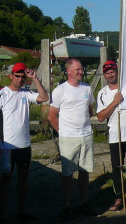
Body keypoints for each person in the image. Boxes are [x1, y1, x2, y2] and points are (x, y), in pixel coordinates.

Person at [0, 62, 49, 223]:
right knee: (5, 180)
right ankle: (2, 214)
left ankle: (22, 211)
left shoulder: (25, 93)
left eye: (23, 77)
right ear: (11, 76)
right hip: (8, 146)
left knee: (23, 179)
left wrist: (34, 78)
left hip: (24, 145)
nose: (20, 79)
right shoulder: (1, 95)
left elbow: (44, 97)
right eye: (17, 76)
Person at [48, 58, 96, 220]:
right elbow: (52, 116)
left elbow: (90, 110)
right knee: (67, 173)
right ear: (69, 71)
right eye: (78, 70)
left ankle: (83, 203)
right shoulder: (60, 91)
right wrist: (63, 132)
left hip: (86, 135)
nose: (81, 71)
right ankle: (67, 205)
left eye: (82, 69)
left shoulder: (87, 89)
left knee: (84, 171)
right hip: (68, 138)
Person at [96, 61, 126, 211]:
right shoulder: (102, 93)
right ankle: (119, 197)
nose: (110, 75)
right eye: (107, 73)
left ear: (117, 72)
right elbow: (100, 117)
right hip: (115, 136)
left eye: (112, 72)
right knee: (116, 168)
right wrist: (115, 102)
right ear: (104, 75)